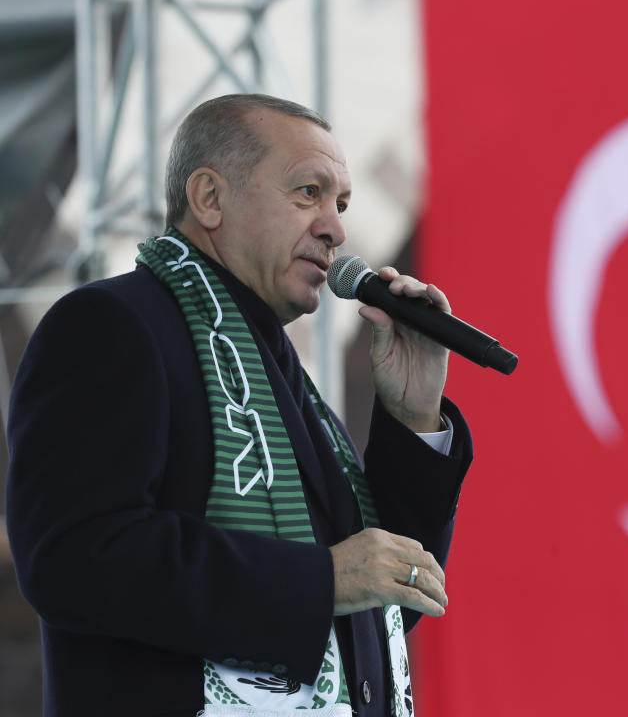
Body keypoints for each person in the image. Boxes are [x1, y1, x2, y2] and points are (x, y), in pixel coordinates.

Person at [4, 93, 472, 717]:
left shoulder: (286, 379)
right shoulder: (113, 326)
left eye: (342, 204)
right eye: (308, 192)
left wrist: (413, 417)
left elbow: (375, 616)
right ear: (209, 198)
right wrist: (321, 580)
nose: (335, 227)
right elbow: (72, 559)